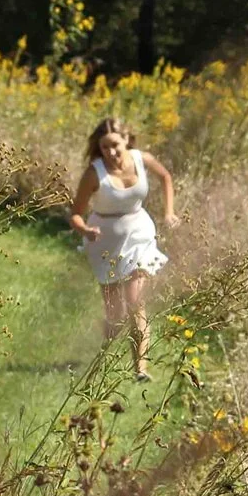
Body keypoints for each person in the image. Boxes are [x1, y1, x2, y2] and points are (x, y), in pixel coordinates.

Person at [68, 115, 176, 379]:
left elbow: (165, 177)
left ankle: (140, 369)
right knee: (116, 315)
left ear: (127, 139)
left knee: (136, 301)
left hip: (139, 233)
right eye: (105, 147)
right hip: (104, 242)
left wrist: (169, 213)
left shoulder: (141, 159)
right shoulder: (94, 173)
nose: (111, 152)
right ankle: (102, 351)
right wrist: (85, 231)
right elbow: (76, 214)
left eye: (115, 145)